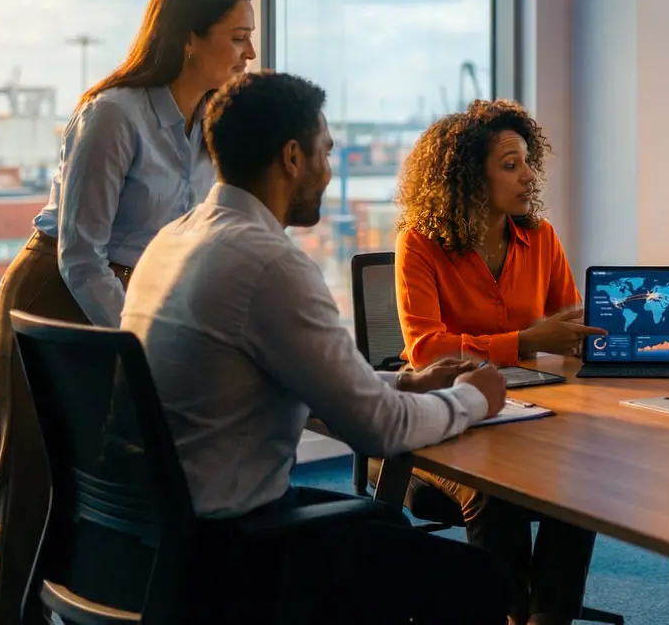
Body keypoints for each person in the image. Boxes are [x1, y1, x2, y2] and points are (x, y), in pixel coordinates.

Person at [121, 71, 511, 623]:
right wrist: (475, 398)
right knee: (478, 579)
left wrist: (403, 381)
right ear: (292, 158)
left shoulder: (176, 237)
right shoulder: (268, 263)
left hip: (153, 533)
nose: (330, 170)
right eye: (325, 152)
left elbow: (301, 376)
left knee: (384, 529)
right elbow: (381, 430)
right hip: (230, 549)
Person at [0, 0, 255, 625]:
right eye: (237, 37)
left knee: (115, 494)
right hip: (53, 293)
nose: (249, 53)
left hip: (132, 296)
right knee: (34, 492)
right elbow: (81, 252)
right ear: (189, 39)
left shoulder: (210, 127)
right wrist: (140, 341)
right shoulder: (115, 113)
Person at [394, 99, 603, 625]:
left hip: (530, 413)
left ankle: (546, 619)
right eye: (511, 165)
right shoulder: (418, 244)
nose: (528, 175)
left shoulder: (540, 238)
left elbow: (567, 329)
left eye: (528, 161)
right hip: (444, 418)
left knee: (584, 488)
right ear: (467, 178)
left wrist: (594, 334)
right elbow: (426, 349)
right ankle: (508, 612)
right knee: (499, 493)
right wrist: (527, 341)